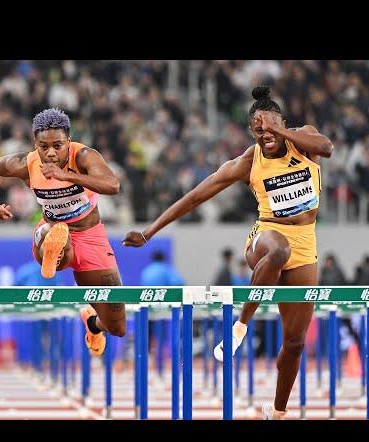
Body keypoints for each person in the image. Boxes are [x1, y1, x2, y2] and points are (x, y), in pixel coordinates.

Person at [123, 86, 334, 419]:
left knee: (294, 343)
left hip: (307, 242)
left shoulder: (303, 140)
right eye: (257, 130)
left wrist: (278, 128)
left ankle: (278, 411)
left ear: (282, 123)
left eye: (269, 127)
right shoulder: (248, 161)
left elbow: (327, 147)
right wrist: (149, 233)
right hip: (265, 237)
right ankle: (240, 328)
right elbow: (194, 197)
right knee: (279, 249)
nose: (264, 135)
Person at [0, 108, 125, 356]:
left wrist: (68, 175)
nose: (50, 152)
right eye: (43, 146)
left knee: (117, 326)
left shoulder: (83, 156)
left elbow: (113, 185)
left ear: (68, 141)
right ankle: (50, 246)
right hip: (52, 229)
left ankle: (92, 323)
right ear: (35, 144)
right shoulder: (28, 164)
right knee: (59, 240)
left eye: (57, 145)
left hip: (92, 236)